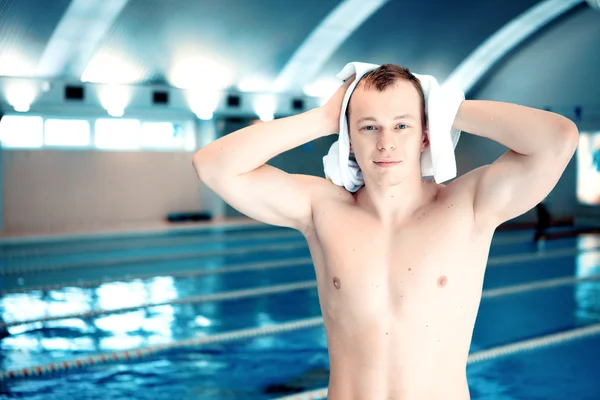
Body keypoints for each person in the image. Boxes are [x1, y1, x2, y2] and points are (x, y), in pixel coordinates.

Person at [192, 64, 579, 399]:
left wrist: (448, 109)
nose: (386, 142)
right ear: (349, 138)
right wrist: (325, 117)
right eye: (368, 127)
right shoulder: (322, 209)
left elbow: (558, 139)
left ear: (426, 134)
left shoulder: (468, 207)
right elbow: (213, 166)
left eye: (402, 125)